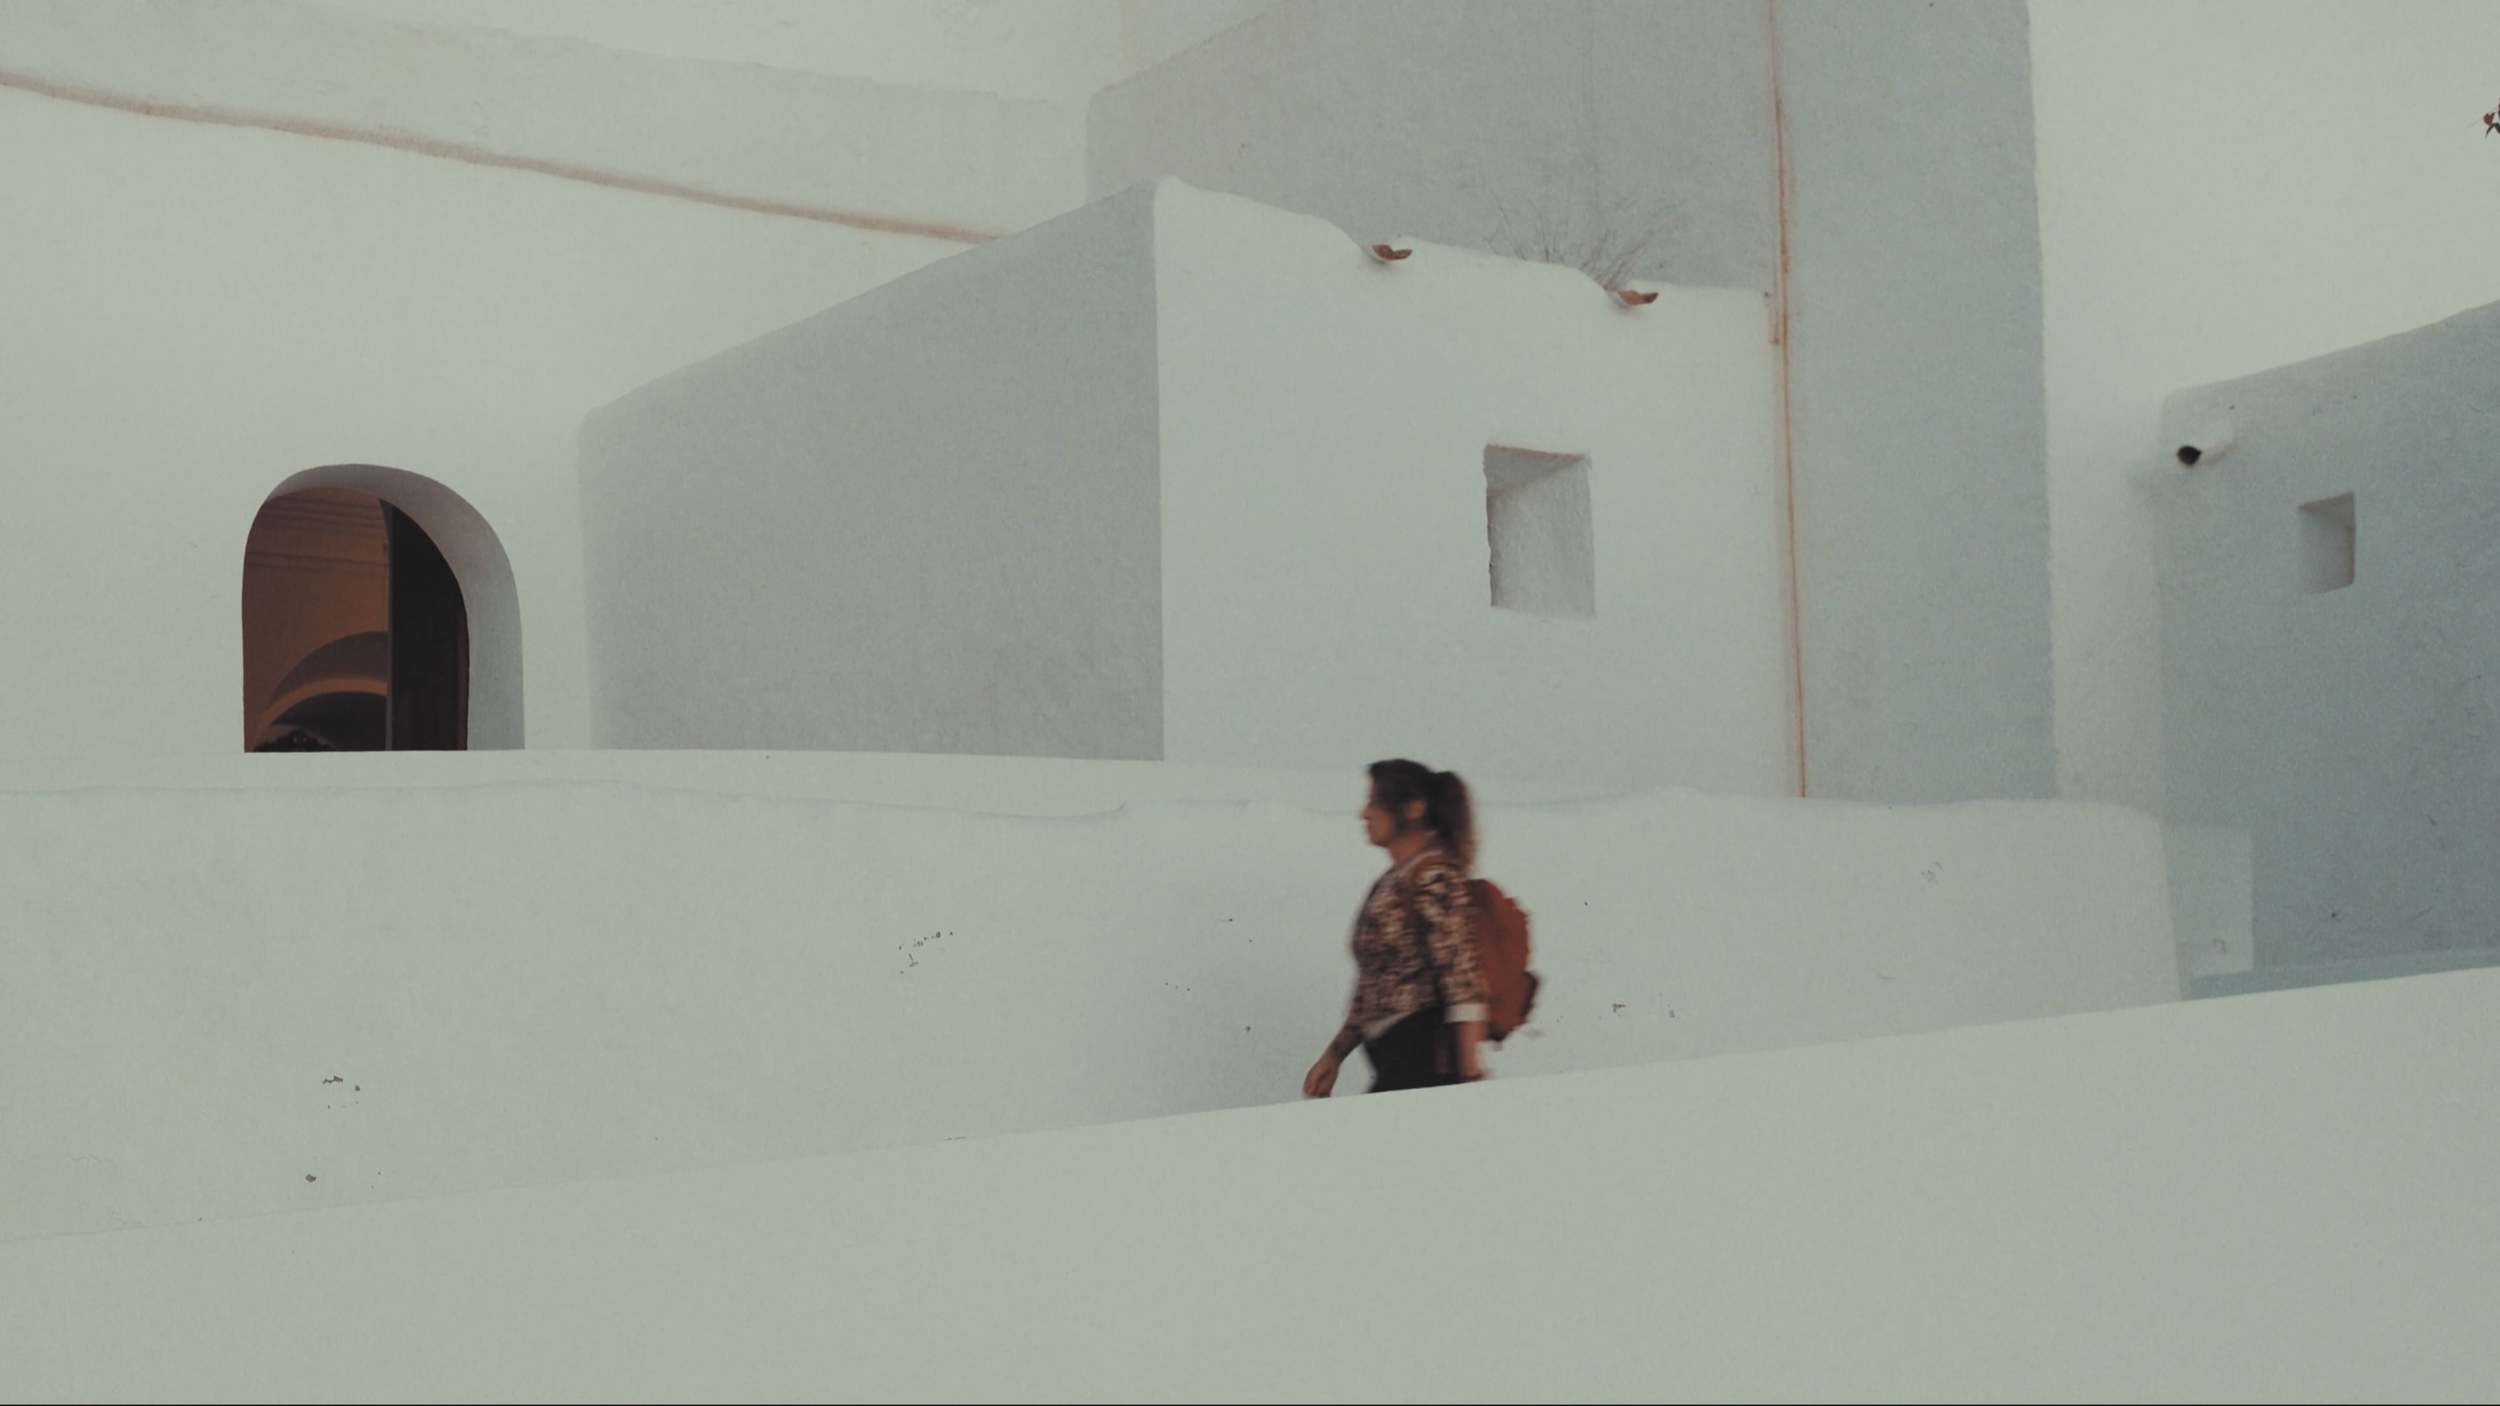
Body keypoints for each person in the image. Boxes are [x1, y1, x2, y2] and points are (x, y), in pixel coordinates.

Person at [1303, 759, 1490, 1097]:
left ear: (1413, 809)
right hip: (1393, 1060)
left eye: (1375, 802)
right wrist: (1335, 1055)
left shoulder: (1436, 877)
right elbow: (1374, 981)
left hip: (1424, 1063)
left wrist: (1471, 1079)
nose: (1364, 813)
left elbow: (1461, 980)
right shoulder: (1392, 882)